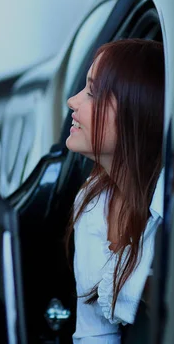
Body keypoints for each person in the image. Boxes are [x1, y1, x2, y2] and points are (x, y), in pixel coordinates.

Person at [66, 39, 165, 343]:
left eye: (92, 92)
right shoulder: (92, 201)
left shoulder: (165, 215)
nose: (72, 100)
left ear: (137, 112)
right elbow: (94, 332)